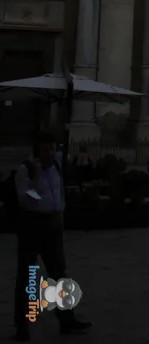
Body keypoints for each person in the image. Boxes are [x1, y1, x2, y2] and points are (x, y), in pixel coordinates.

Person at [13, 132, 92, 341]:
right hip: (32, 225)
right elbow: (26, 198)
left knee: (59, 274)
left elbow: (59, 193)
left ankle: (67, 320)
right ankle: (23, 325)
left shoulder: (57, 166)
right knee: (28, 276)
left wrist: (61, 211)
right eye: (45, 149)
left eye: (52, 148)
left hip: (53, 225)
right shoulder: (25, 170)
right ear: (37, 151)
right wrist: (37, 175)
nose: (50, 153)